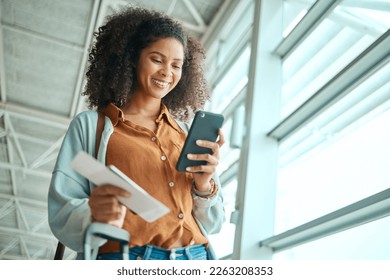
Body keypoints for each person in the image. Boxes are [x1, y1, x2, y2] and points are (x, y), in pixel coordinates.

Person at [48, 6, 225, 260]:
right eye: (157, 60)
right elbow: (62, 210)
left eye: (177, 65)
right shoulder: (91, 128)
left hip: (196, 257)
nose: (167, 72)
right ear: (132, 58)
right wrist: (94, 212)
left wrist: (204, 184)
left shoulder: (185, 133)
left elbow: (215, 222)